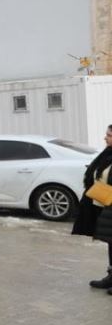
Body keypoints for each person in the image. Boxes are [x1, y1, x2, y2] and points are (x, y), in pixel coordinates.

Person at [71, 124, 112, 294]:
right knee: (111, 243)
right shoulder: (107, 154)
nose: (105, 137)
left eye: (109, 135)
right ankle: (111, 276)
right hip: (103, 204)